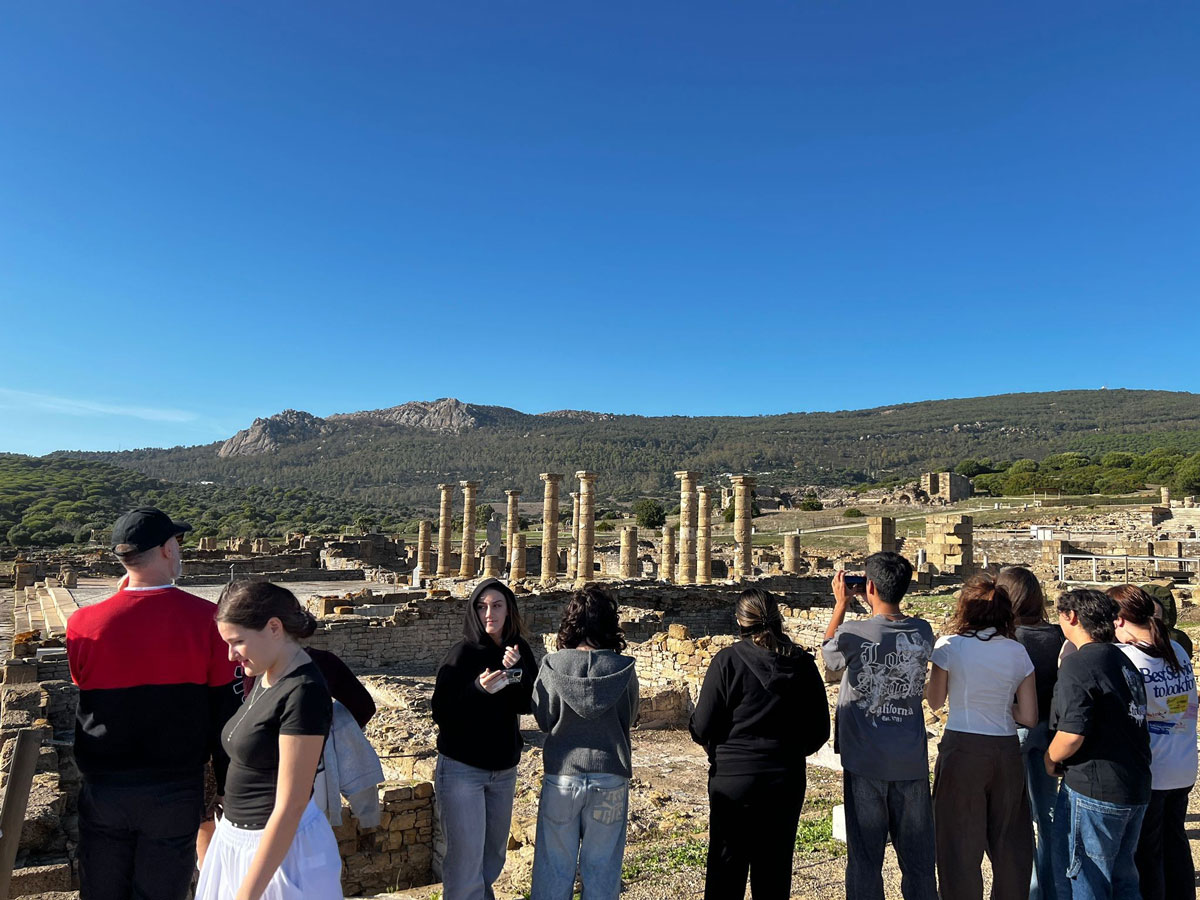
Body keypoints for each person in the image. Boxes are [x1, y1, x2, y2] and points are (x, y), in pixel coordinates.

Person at [66, 507, 241, 900]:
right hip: (173, 786)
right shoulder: (208, 620)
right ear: (165, 549)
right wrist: (228, 786)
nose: (179, 550)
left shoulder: (82, 623)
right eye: (177, 543)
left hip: (104, 785)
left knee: (101, 890)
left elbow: (83, 683)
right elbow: (226, 712)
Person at [195, 581, 340, 900]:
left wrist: (246, 895)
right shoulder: (269, 674)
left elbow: (291, 805)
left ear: (274, 627)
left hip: (277, 855)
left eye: (237, 642)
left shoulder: (303, 692)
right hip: (237, 840)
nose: (230, 655)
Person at [692, 588, 829, 899]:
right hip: (784, 778)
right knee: (774, 874)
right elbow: (819, 730)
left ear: (740, 622)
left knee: (726, 872)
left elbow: (702, 725)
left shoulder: (727, 661)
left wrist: (717, 746)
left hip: (733, 780)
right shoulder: (803, 664)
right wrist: (791, 751)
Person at [821, 552, 937, 900]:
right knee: (918, 860)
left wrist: (841, 604)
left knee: (865, 859)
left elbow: (828, 654)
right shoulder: (922, 631)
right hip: (911, 761)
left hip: (865, 761)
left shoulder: (853, 633)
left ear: (868, 586)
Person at [926, 574, 1038, 900]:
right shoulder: (1017, 652)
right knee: (1010, 845)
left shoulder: (949, 646)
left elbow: (935, 700)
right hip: (1004, 748)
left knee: (958, 845)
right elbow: (1029, 716)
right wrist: (1002, 704)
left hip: (962, 746)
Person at [530, 587, 639, 900]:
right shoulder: (624, 668)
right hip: (611, 779)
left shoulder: (552, 666)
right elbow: (629, 718)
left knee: (554, 869)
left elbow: (543, 718)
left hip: (563, 776)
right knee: (603, 871)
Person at [431, 578, 535, 900]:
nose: (489, 613)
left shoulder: (518, 651)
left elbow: (525, 704)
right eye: (481, 606)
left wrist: (518, 674)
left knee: (491, 861)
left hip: (503, 771)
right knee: (464, 865)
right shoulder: (460, 655)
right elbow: (441, 711)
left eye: (497, 605)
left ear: (509, 610)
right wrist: (478, 690)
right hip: (463, 770)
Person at [1046, 588, 1151, 900]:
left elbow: (1072, 734)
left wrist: (1050, 761)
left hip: (1094, 787)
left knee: (1084, 880)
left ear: (1073, 617)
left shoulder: (1079, 664)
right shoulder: (1124, 659)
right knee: (1123, 881)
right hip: (1134, 783)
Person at [1109, 584, 1197, 900]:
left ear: (1119, 621)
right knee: (1175, 843)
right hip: (1183, 764)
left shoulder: (1126, 658)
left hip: (1154, 770)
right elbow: (1179, 702)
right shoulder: (1177, 649)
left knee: (1148, 855)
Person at [999, 565, 1064, 900]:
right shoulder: (1058, 636)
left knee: (1013, 819)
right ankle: (1049, 889)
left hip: (1017, 730)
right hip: (1049, 732)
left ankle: (1024, 889)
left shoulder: (1010, 641)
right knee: (1048, 814)